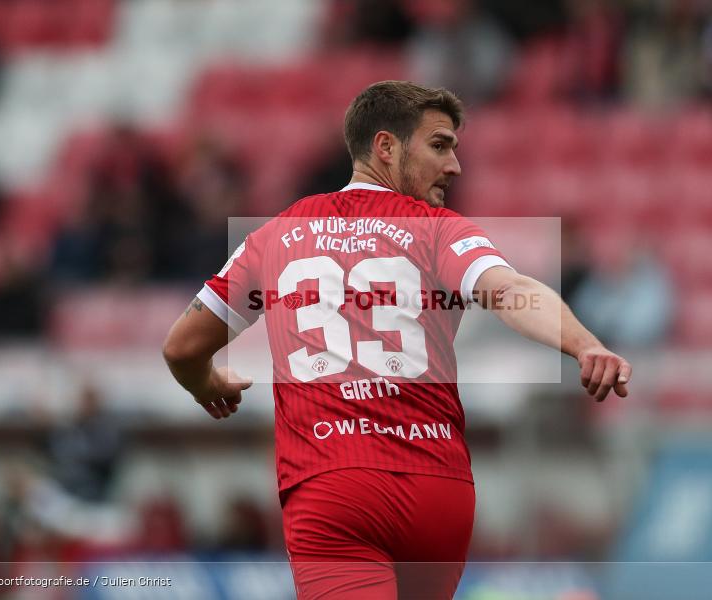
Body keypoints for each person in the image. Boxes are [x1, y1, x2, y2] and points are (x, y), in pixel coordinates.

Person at [163, 81, 631, 599]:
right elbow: (512, 292)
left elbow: (182, 347)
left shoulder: (274, 237)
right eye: (439, 146)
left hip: (334, 485)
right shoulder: (439, 232)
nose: (454, 166)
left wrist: (206, 384)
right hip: (438, 490)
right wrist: (584, 343)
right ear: (386, 147)